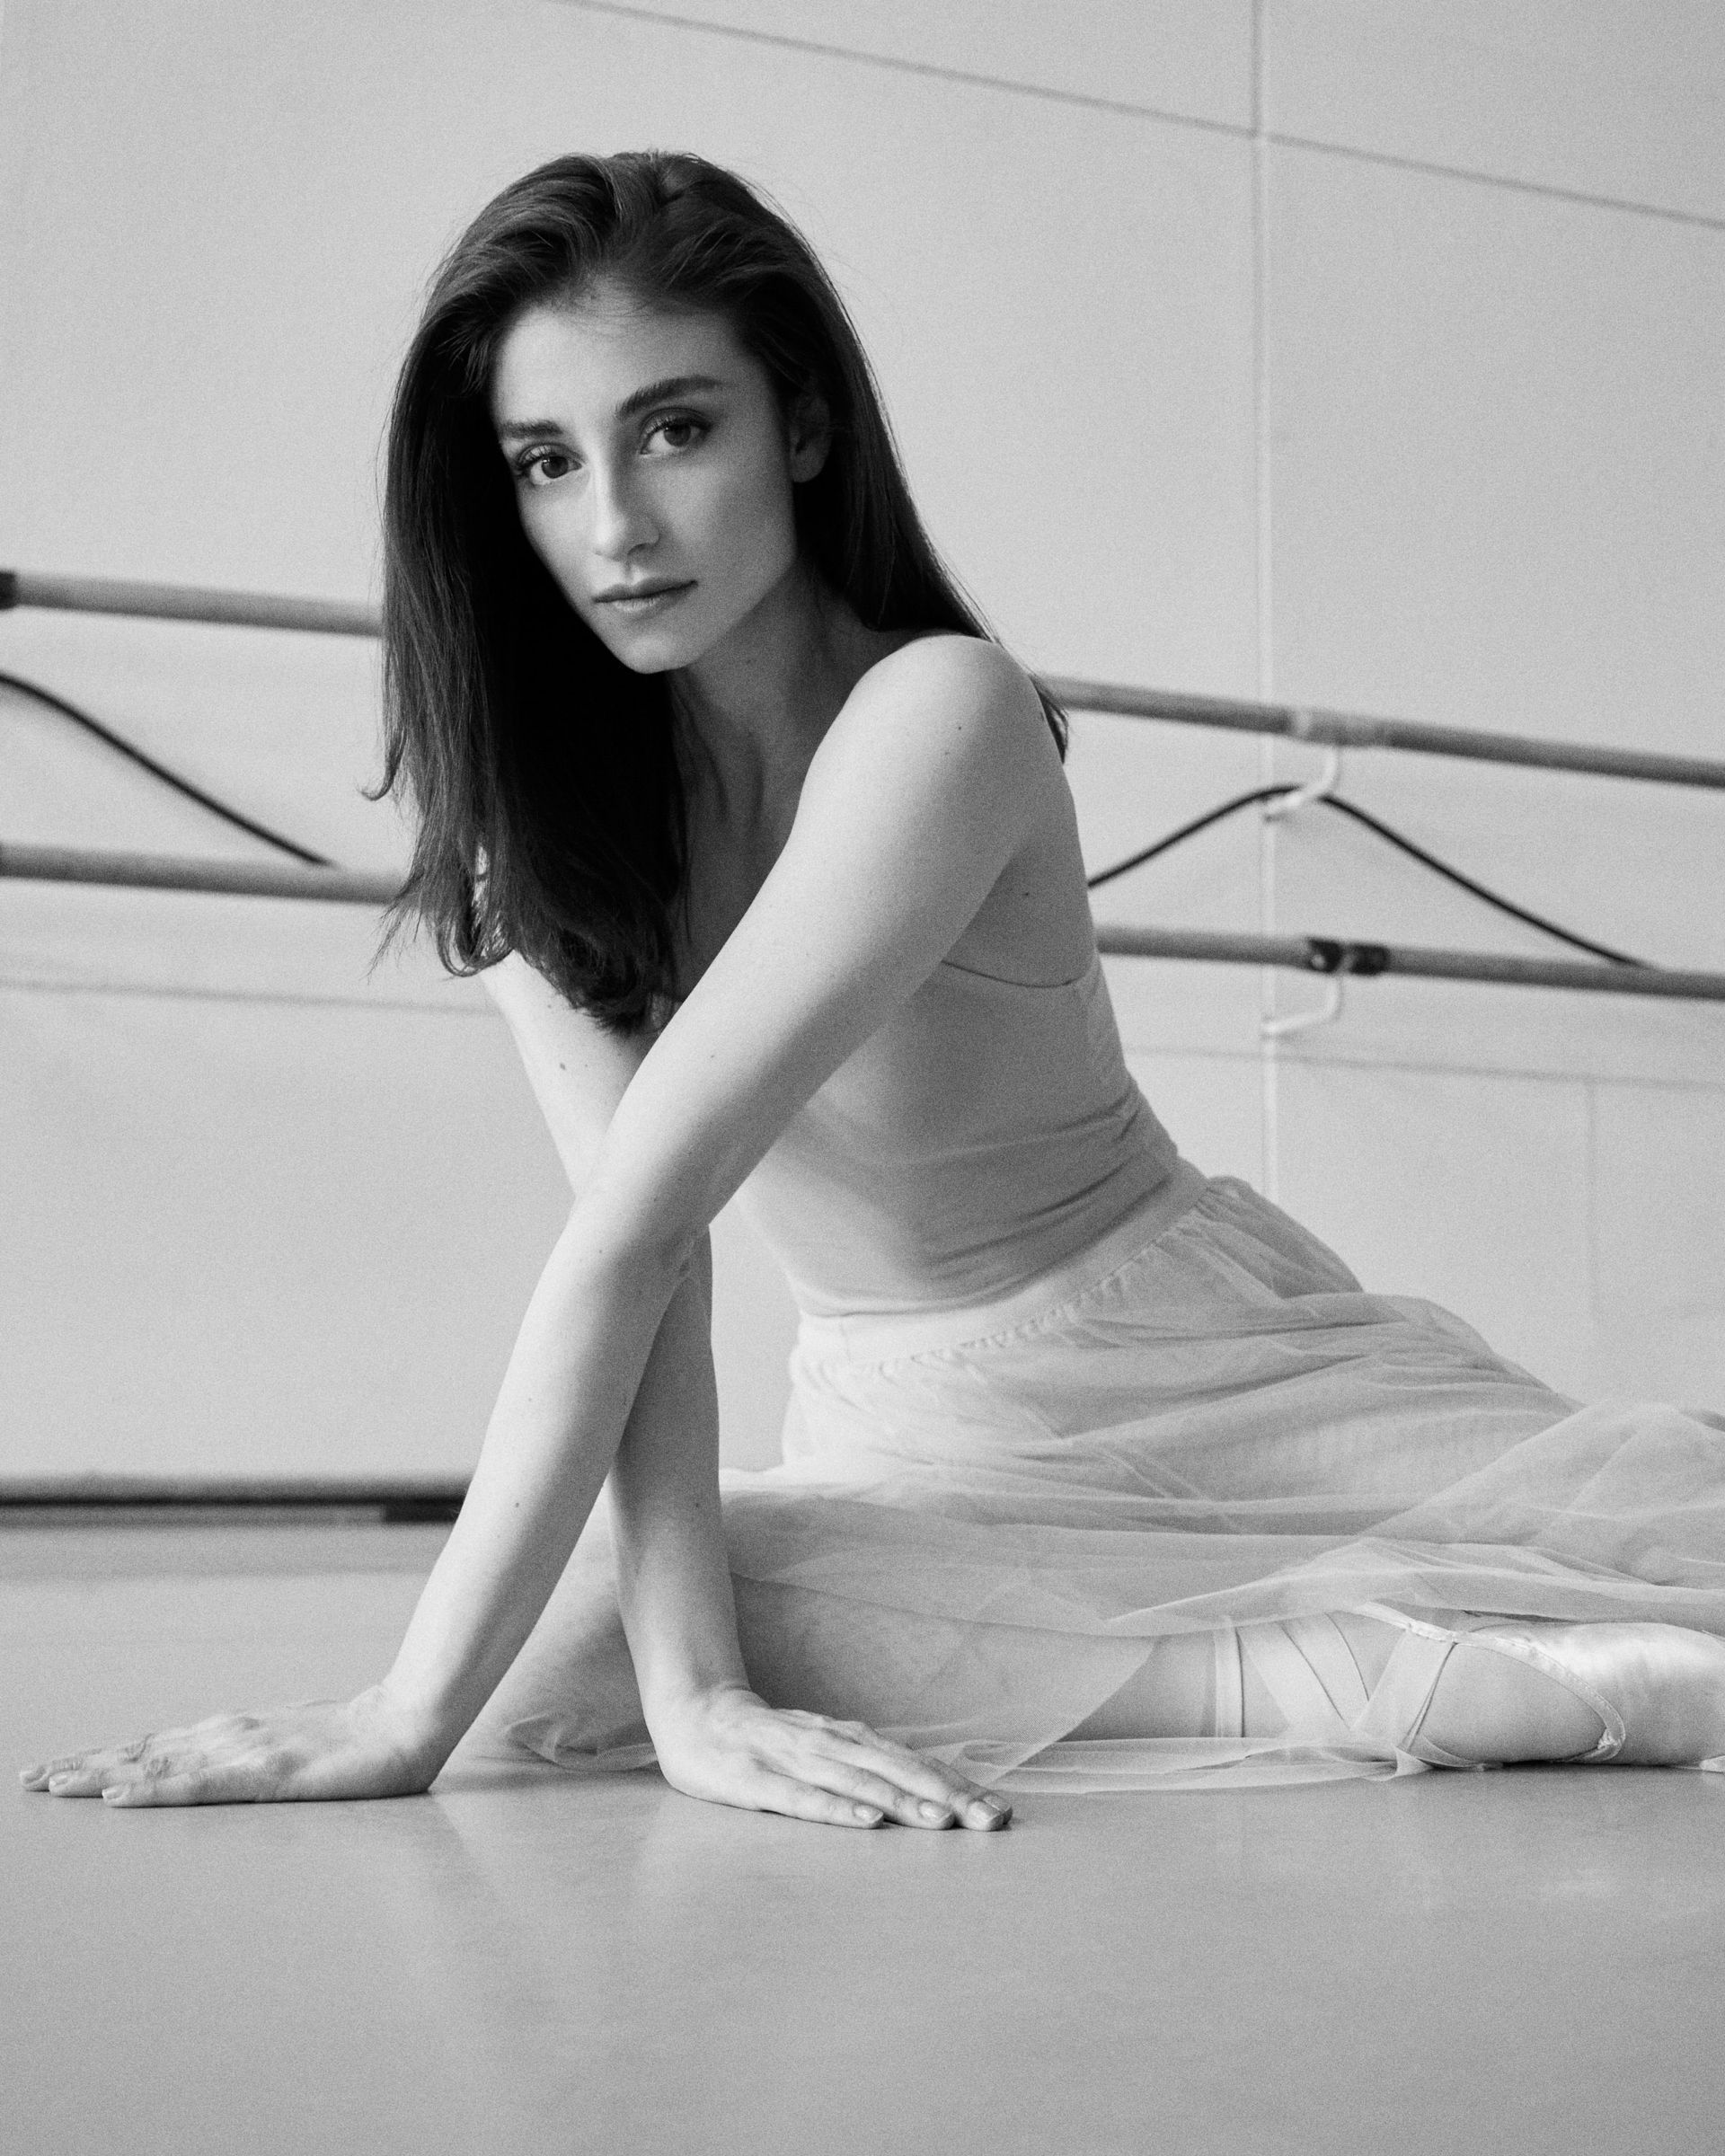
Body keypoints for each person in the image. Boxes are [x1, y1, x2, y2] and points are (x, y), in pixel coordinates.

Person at [23, 151, 1725, 1821]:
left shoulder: (943, 714)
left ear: (806, 427)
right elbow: (652, 1263)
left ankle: (1457, 1651)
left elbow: (639, 1228)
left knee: (1677, 1551)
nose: (614, 525)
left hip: (1188, 1364)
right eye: (546, 462)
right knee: (578, 1654)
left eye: (676, 430)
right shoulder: (533, 829)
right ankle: (1362, 1677)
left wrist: (405, 1717)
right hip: (898, 1423)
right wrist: (695, 1696)